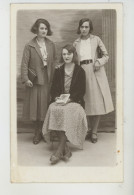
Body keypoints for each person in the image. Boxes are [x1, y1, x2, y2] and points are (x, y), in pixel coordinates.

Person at [42, 44, 88, 164]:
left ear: (74, 55)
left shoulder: (80, 71)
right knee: (53, 109)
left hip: (75, 101)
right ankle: (66, 149)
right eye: (64, 54)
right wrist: (57, 97)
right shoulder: (58, 70)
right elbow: (54, 89)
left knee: (66, 111)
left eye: (69, 53)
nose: (66, 56)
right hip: (60, 101)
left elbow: (81, 91)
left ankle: (59, 151)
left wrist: (70, 99)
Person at [73, 18, 114, 143]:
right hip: (82, 72)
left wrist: (98, 61)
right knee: (87, 103)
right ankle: (89, 129)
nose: (84, 29)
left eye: (86, 27)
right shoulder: (76, 43)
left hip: (95, 71)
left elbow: (106, 55)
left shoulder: (96, 40)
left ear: (90, 28)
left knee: (97, 103)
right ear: (79, 28)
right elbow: (72, 59)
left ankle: (94, 131)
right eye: (82, 27)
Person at [21, 18, 56, 145]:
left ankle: (44, 131)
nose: (44, 31)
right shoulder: (29, 45)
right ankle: (37, 132)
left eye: (46, 28)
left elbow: (54, 61)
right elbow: (24, 64)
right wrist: (26, 79)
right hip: (35, 80)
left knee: (45, 105)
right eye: (41, 28)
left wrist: (55, 76)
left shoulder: (51, 44)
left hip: (47, 79)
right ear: (36, 29)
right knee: (35, 106)